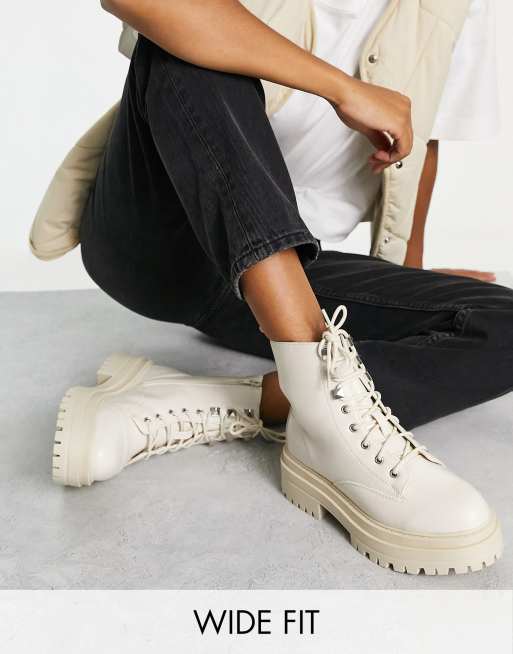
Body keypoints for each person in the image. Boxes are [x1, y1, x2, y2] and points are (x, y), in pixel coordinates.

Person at [43, 0, 511, 575]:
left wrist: (410, 283)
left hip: (292, 269)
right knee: (191, 37)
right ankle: (319, 391)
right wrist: (342, 89)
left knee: (504, 322)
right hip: (159, 241)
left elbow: (422, 139)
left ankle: (221, 403)